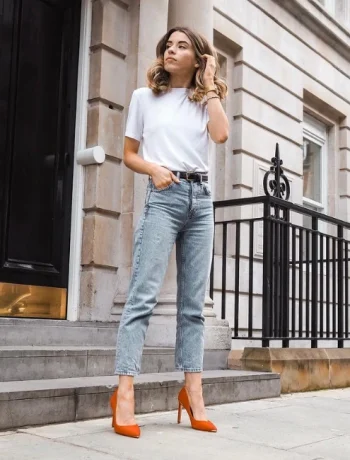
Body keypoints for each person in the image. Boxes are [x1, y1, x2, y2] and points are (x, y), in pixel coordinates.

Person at [110, 26, 229, 438]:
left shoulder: (204, 99)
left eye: (182, 46)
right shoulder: (145, 98)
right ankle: (124, 393)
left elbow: (222, 134)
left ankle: (193, 393)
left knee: (192, 305)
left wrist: (210, 86)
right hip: (164, 196)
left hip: (201, 200)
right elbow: (128, 154)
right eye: (168, 46)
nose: (171, 51)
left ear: (199, 58)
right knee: (143, 295)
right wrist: (155, 169)